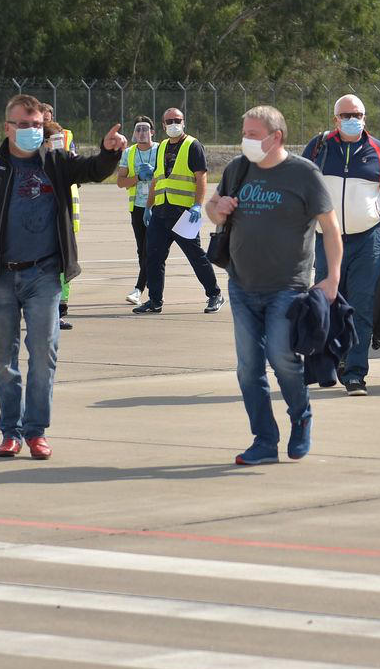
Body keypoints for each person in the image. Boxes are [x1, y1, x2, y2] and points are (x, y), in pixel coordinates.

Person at [0, 95, 125, 459]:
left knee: (44, 352)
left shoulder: (55, 161)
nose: (31, 131)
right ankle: (11, 431)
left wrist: (108, 152)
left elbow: (91, 170)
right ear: (7, 127)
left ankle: (36, 430)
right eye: (23, 125)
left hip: (43, 273)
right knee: (4, 360)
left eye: (36, 125)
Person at [207, 105, 341, 465]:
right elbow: (211, 206)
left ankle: (301, 415)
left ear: (275, 136)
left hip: (288, 286)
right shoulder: (238, 170)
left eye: (252, 134)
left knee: (281, 357)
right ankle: (264, 440)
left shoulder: (303, 174)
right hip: (241, 283)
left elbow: (330, 228)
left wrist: (333, 278)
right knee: (248, 368)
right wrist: (218, 208)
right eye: (244, 132)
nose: (245, 140)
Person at [302, 95, 380, 395]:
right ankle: (337, 357)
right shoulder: (319, 147)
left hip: (368, 239)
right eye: (346, 114)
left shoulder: (377, 149)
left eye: (358, 113)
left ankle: (355, 374)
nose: (353, 118)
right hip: (328, 238)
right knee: (330, 303)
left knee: (362, 305)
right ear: (335, 118)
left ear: (365, 116)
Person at [134, 107, 224, 315]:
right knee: (153, 258)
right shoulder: (162, 146)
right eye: (169, 121)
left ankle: (215, 294)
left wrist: (197, 205)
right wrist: (149, 206)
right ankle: (155, 301)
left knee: (196, 256)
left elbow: (201, 176)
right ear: (163, 125)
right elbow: (157, 179)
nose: (174, 124)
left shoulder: (193, 145)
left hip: (183, 212)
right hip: (161, 212)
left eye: (177, 120)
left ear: (183, 122)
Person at [42, 104, 80, 328]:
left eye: (48, 118)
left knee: (64, 265)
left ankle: (59, 310)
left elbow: (77, 163)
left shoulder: (65, 137)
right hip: (43, 219)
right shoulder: (29, 146)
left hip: (67, 214)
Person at [114, 116, 158, 302]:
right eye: (138, 129)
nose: (142, 132)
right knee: (143, 250)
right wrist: (138, 177)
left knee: (152, 250)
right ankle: (146, 289)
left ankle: (139, 288)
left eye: (145, 129)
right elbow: (120, 181)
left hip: (159, 206)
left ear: (152, 132)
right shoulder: (129, 153)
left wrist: (154, 174)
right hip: (138, 208)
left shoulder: (160, 149)